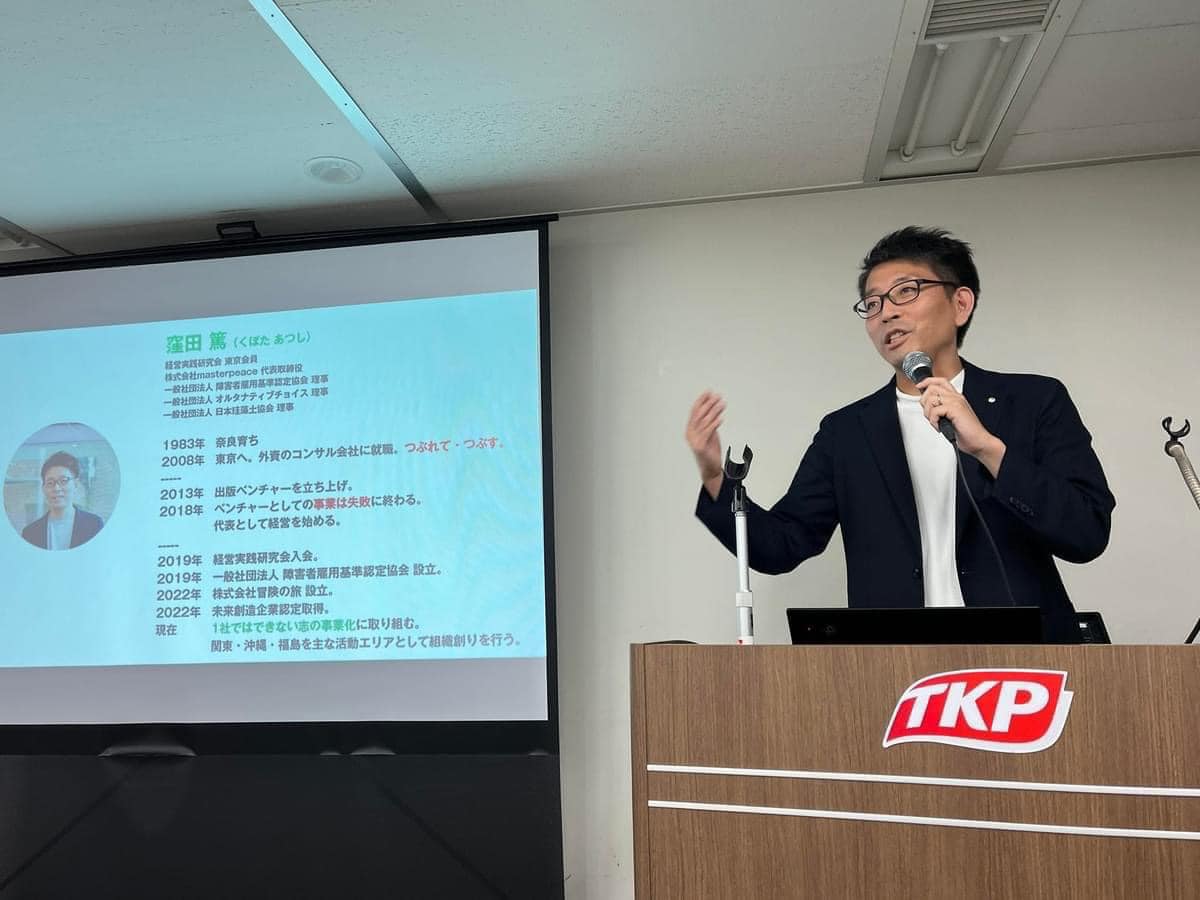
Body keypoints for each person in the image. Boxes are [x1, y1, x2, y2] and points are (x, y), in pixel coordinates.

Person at [686, 226, 1114, 642]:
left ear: (961, 303)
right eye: (872, 303)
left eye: (906, 291)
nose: (886, 313)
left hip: (1021, 660)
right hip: (897, 664)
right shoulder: (847, 432)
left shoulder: (1034, 401)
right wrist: (713, 476)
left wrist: (988, 449)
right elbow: (781, 545)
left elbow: (1087, 532)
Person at [21, 451, 105, 550]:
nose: (56, 488)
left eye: (64, 481)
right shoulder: (30, 533)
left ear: (76, 484)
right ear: (43, 488)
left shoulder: (94, 525)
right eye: (50, 483)